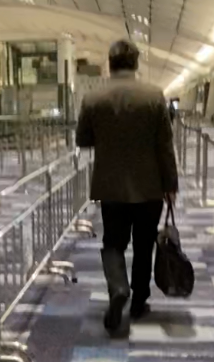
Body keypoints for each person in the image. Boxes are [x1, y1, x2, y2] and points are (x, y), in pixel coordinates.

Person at [76, 39, 178, 333]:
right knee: (144, 244)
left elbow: (82, 139)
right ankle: (138, 301)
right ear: (136, 63)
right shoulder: (154, 96)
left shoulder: (94, 98)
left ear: (110, 63)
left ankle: (118, 287)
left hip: (111, 186)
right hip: (149, 187)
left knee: (113, 243)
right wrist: (170, 184)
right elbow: (165, 146)